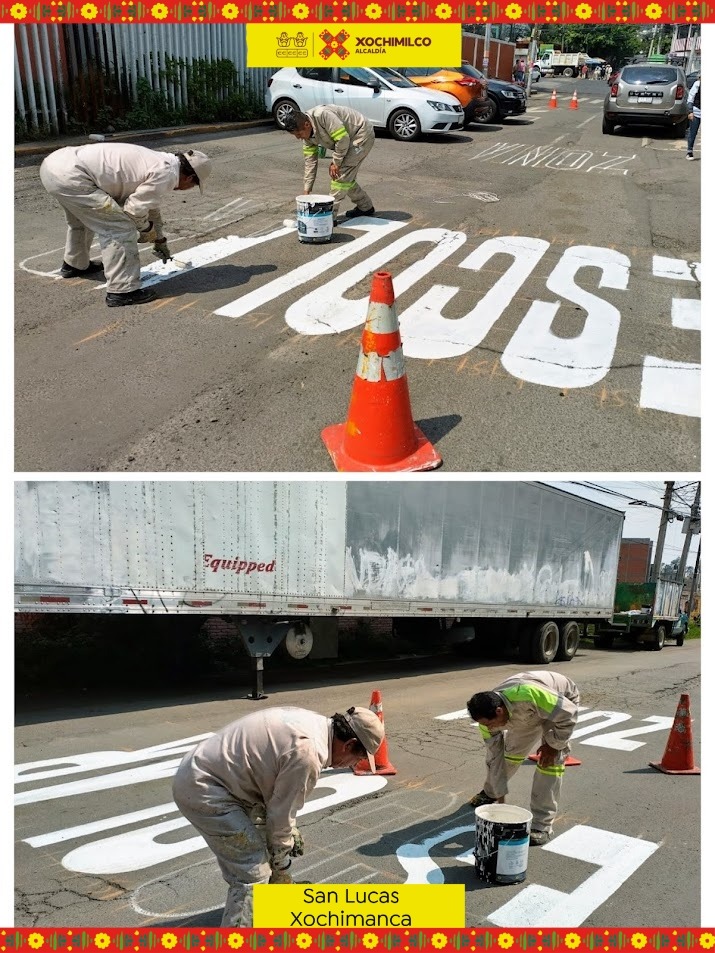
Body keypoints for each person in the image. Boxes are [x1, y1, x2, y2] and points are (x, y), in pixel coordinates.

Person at [172, 705, 385, 926]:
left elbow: (274, 793)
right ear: (349, 745)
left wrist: (285, 835)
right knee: (252, 872)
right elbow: (279, 819)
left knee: (266, 843)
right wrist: (282, 866)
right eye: (356, 758)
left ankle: (272, 906)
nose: (352, 765)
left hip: (213, 773)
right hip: (206, 788)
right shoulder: (308, 754)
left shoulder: (315, 723)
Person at [40, 142, 212, 307]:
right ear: (189, 178)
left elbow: (150, 206)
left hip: (54, 166)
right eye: (192, 186)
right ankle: (122, 291)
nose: (187, 189)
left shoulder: (162, 162)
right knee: (120, 228)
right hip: (74, 177)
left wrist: (159, 239)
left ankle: (74, 264)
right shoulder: (167, 173)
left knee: (82, 221)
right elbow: (134, 212)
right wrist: (146, 230)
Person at [466, 670, 580, 846]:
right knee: (509, 756)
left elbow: (569, 714)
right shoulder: (487, 721)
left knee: (549, 762)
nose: (488, 728)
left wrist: (553, 745)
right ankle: (489, 793)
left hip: (560, 705)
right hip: (525, 714)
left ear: (498, 711)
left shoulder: (529, 695)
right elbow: (496, 757)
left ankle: (542, 826)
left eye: (490, 724)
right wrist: (498, 790)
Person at [284, 105, 376, 222]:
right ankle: (365, 206)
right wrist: (306, 191)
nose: (298, 138)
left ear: (307, 125)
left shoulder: (323, 115)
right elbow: (310, 163)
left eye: (299, 134)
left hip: (361, 134)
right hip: (346, 140)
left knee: (340, 175)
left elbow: (342, 139)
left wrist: (336, 162)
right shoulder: (307, 138)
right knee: (346, 177)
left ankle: (328, 217)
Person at [686, 74, 701, 160]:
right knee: (693, 132)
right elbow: (690, 99)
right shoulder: (697, 84)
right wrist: (690, 111)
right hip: (697, 112)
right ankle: (689, 151)